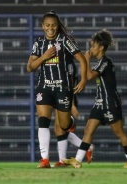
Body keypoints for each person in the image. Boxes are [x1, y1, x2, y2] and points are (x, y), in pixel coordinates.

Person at [62, 29, 127, 169]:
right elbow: (87, 75)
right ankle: (78, 160)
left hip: (109, 102)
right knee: (88, 131)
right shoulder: (100, 62)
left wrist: (86, 60)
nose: (91, 49)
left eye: (93, 46)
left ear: (101, 47)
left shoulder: (106, 62)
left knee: (119, 132)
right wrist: (85, 62)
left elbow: (89, 76)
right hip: (99, 103)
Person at [26, 10, 87, 168]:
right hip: (44, 87)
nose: (50, 28)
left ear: (57, 26)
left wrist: (84, 80)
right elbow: (30, 67)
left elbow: (82, 59)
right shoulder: (39, 43)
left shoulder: (65, 41)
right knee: (43, 121)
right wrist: (43, 57)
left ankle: (70, 123)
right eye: (47, 25)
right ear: (42, 26)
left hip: (62, 88)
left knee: (64, 125)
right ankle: (45, 160)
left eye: (53, 25)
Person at [53, 60, 94, 167]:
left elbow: (69, 86)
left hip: (67, 99)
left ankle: (62, 160)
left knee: (60, 129)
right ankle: (86, 147)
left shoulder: (68, 63)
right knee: (59, 130)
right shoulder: (64, 60)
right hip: (61, 97)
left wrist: (72, 105)